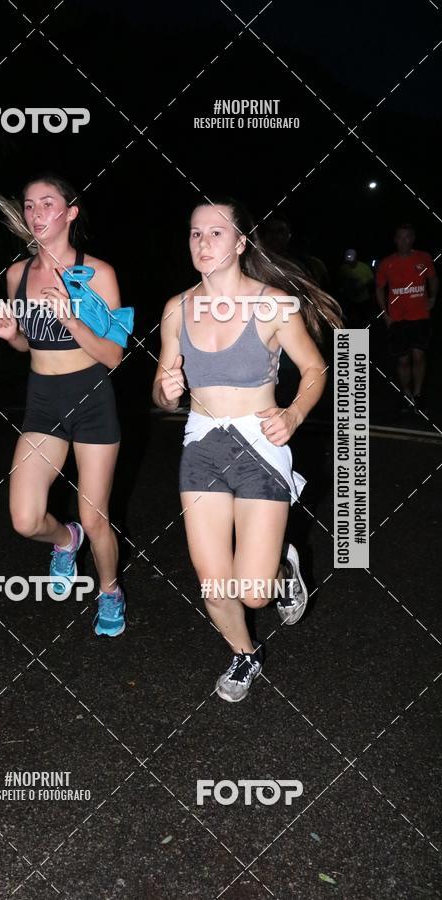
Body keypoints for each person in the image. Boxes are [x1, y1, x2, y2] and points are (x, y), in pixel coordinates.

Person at [153, 197, 343, 702]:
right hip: (202, 447)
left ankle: (283, 566)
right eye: (195, 233)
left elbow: (316, 369)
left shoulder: (273, 304)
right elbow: (161, 387)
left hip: (260, 443)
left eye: (216, 233)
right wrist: (166, 393)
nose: (203, 242)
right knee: (215, 585)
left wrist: (294, 414)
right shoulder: (177, 308)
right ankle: (245, 654)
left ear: (240, 243)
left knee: (254, 592)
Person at [0, 173, 126, 636]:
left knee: (96, 515)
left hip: (91, 398)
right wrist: (13, 336)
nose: (36, 213)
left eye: (48, 203)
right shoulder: (17, 274)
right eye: (29, 205)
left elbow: (113, 356)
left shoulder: (99, 273)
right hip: (42, 402)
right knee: (25, 519)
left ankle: (110, 591)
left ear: (71, 212)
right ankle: (66, 540)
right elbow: (29, 347)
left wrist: (71, 318)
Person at [376, 223, 438, 411]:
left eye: (408, 237)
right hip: (397, 319)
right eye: (400, 237)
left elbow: (433, 278)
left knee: (419, 356)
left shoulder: (424, 258)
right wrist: (385, 314)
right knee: (403, 360)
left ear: (413, 238)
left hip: (420, 316)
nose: (404, 241)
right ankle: (407, 393)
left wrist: (433, 297)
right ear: (395, 240)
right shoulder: (387, 263)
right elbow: (379, 288)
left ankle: (418, 394)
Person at [336, 248, 376, 328]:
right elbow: (340, 282)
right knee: (352, 321)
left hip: (364, 300)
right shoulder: (343, 268)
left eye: (352, 260)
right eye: (348, 261)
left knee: (365, 319)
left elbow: (372, 280)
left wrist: (363, 285)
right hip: (350, 300)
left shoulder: (364, 267)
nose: (350, 263)